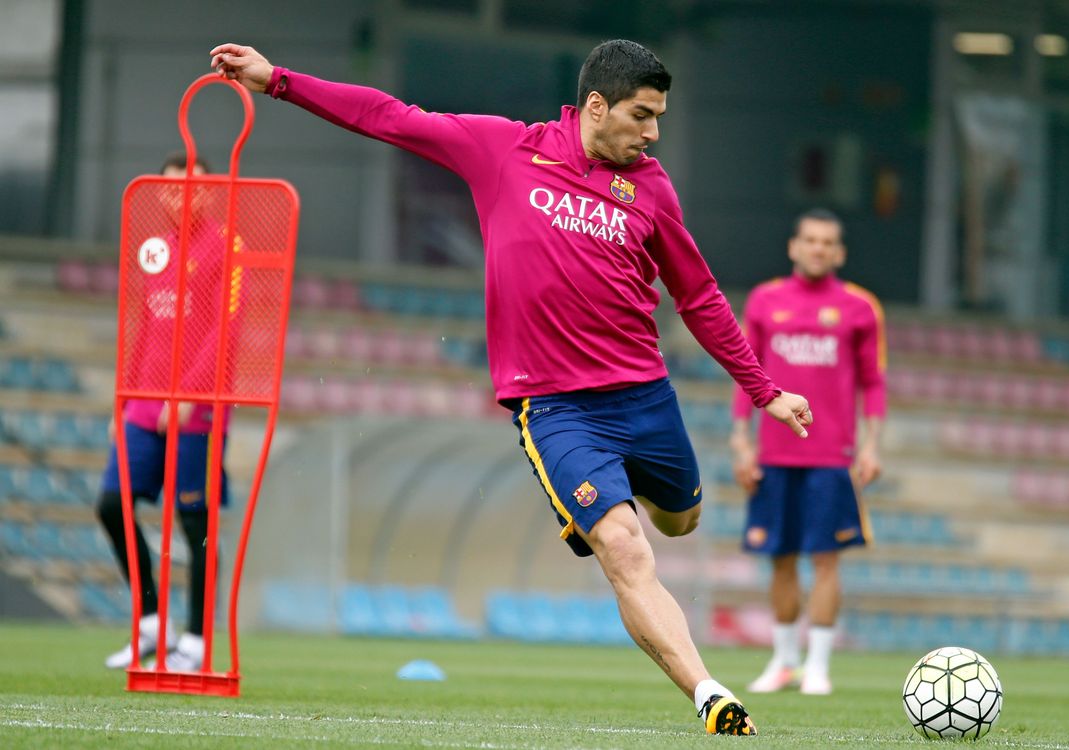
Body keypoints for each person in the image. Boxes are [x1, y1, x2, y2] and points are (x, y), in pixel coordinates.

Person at [209, 38, 812, 734]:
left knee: (681, 521)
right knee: (625, 548)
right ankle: (710, 694)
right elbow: (389, 117)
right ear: (596, 106)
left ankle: (644, 496)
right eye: (642, 115)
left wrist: (764, 390)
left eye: (658, 118)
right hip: (555, 408)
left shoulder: (651, 188)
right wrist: (278, 81)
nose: (652, 134)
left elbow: (698, 295)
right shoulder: (504, 150)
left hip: (645, 396)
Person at [729, 208, 886, 695]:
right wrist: (741, 441)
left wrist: (872, 445)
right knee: (779, 559)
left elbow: (873, 382)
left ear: (839, 253)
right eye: (810, 240)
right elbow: (746, 374)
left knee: (826, 560)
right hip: (774, 456)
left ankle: (817, 667)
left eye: (827, 242)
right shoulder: (764, 300)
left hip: (832, 457)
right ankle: (783, 662)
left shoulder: (861, 307)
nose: (818, 248)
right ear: (793, 246)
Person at [97, 151, 234, 672]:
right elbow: (146, 328)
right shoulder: (157, 249)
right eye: (174, 186)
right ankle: (153, 623)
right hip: (144, 402)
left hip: (198, 409)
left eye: (193, 186)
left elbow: (225, 331)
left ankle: (195, 643)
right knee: (111, 505)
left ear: (209, 191)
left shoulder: (227, 247)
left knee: (195, 522)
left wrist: (190, 395)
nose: (183, 195)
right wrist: (124, 398)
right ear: (161, 191)